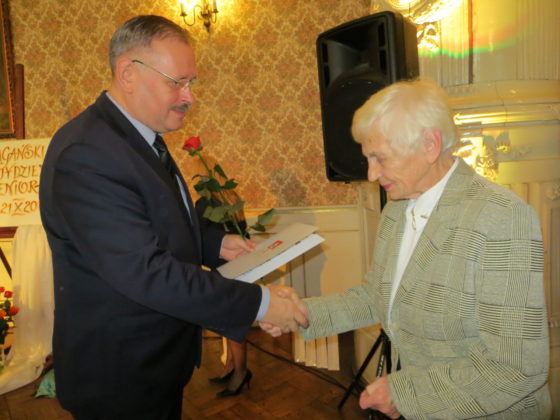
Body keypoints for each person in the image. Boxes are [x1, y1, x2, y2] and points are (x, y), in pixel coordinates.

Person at [39, 15, 307, 420]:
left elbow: (154, 221)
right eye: (176, 83)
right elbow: (145, 271)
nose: (189, 97)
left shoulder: (137, 138)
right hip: (119, 378)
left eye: (191, 83)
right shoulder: (88, 153)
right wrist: (261, 304)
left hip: (153, 363)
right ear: (128, 74)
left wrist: (215, 244)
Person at [262, 79, 551, 419]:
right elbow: (377, 296)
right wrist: (302, 313)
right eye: (368, 159)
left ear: (429, 144)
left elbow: (516, 368)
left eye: (380, 158)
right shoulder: (397, 209)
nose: (372, 174)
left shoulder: (501, 218)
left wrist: (405, 393)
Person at [194, 186, 252, 398]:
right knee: (232, 323)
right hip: (241, 264)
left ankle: (240, 373)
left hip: (225, 268)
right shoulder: (232, 198)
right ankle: (232, 367)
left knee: (232, 325)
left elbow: (198, 235)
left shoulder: (205, 203)